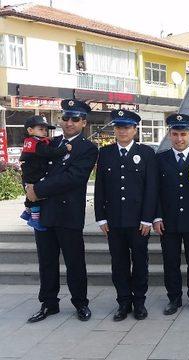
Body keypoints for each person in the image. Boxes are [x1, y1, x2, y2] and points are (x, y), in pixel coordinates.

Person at [25, 99, 97, 323]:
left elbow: (73, 178)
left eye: (75, 119)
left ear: (83, 122)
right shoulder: (50, 143)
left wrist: (37, 189)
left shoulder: (88, 148)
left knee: (75, 262)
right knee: (46, 261)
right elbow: (31, 167)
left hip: (69, 214)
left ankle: (80, 303)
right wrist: (28, 187)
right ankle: (49, 303)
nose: (69, 122)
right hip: (45, 212)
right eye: (65, 117)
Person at [94, 110, 158, 321]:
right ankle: (123, 302)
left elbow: (151, 189)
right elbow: (100, 187)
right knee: (119, 263)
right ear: (115, 129)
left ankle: (139, 302)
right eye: (119, 127)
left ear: (135, 130)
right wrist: (101, 218)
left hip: (139, 222)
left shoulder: (147, 153)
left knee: (140, 262)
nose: (122, 131)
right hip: (114, 221)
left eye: (127, 127)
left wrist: (148, 218)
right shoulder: (105, 153)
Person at [153, 114, 189, 315]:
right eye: (175, 134)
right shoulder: (159, 159)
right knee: (171, 262)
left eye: (183, 134)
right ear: (169, 135)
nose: (179, 139)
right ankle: (174, 298)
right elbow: (155, 191)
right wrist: (157, 217)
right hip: (168, 221)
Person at [19, 115, 72, 231]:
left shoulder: (31, 141)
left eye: (45, 129)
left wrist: (49, 139)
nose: (44, 132)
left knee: (29, 195)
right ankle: (34, 219)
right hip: (34, 175)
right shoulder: (36, 144)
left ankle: (26, 212)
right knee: (36, 196)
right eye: (41, 129)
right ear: (30, 130)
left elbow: (44, 144)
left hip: (29, 174)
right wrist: (64, 149)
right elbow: (49, 152)